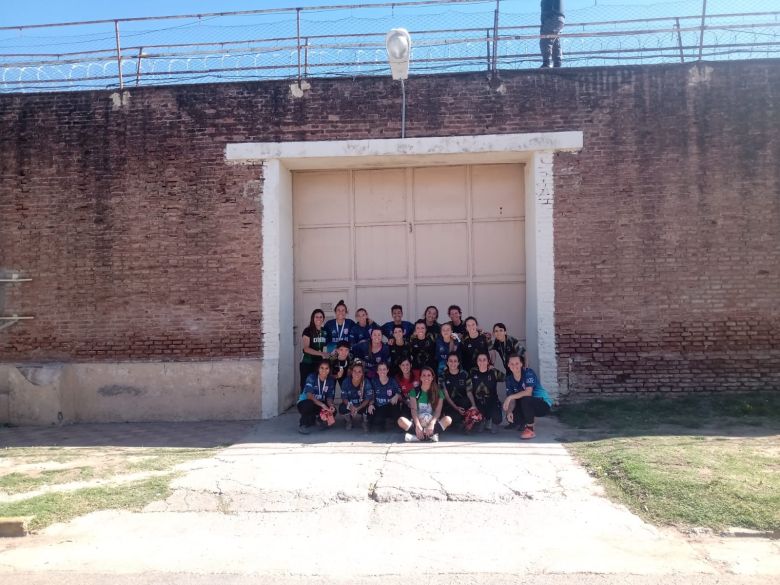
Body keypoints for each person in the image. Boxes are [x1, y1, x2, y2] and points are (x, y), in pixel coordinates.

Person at [503, 354, 554, 439]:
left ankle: (530, 429)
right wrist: (509, 411)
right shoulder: (509, 379)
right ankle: (525, 421)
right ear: (508, 365)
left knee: (525, 399)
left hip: (542, 404)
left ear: (521, 364)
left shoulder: (528, 372)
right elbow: (512, 399)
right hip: (527, 403)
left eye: (517, 363)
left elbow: (528, 392)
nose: (514, 366)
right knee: (513, 418)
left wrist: (509, 398)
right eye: (511, 363)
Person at [397, 367, 452, 442]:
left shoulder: (438, 392)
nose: (426, 377)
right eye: (424, 375)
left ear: (432, 377)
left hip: (431, 422)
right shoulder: (414, 391)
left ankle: (417, 437)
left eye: (429, 375)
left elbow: (437, 412)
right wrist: (417, 425)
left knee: (448, 419)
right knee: (401, 420)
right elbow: (414, 410)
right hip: (419, 421)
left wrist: (432, 424)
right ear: (420, 377)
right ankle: (429, 436)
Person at [297, 360, 337, 434]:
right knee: (308, 404)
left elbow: (329, 397)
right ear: (318, 368)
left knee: (333, 410)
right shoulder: (311, 377)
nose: (324, 370)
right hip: (305, 403)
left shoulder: (330, 380)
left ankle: (319, 420)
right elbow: (309, 396)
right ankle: (303, 424)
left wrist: (331, 405)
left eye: (326, 368)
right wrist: (322, 405)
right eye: (322, 368)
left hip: (318, 403)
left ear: (329, 370)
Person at [440, 352, 477, 430]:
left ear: (458, 363)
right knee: (453, 417)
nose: (453, 363)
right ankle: (460, 423)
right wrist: (457, 408)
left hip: (462, 403)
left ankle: (463, 423)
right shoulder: (442, 375)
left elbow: (469, 392)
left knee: (467, 403)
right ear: (447, 362)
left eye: (455, 361)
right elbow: (446, 396)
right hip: (450, 404)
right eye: (450, 361)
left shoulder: (465, 374)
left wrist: (474, 406)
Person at [470, 352, 505, 432]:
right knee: (478, 429)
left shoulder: (493, 372)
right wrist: (473, 405)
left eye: (484, 360)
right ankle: (482, 421)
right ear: (477, 361)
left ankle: (492, 421)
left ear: (488, 361)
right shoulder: (472, 372)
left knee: (497, 418)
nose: (482, 362)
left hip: (492, 401)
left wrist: (494, 369)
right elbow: (468, 390)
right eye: (480, 360)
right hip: (478, 403)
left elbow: (505, 378)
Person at [339, 361, 374, 432]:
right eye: (354, 371)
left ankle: (365, 422)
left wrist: (358, 408)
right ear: (351, 372)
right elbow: (344, 398)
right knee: (342, 408)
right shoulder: (346, 381)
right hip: (351, 405)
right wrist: (351, 407)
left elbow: (367, 399)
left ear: (362, 373)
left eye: (359, 371)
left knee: (370, 408)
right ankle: (349, 421)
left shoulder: (366, 382)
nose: (356, 374)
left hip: (361, 405)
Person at [299, 309, 329, 391]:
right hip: (307, 362)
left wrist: (328, 355)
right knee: (305, 386)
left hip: (319, 364)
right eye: (316, 317)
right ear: (313, 318)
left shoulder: (325, 331)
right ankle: (303, 403)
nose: (319, 319)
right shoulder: (307, 330)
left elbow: (325, 347)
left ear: (323, 318)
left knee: (317, 386)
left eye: (321, 317)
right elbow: (306, 348)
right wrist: (321, 354)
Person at [370, 362, 402, 431]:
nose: (382, 371)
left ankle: (396, 422)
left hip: (389, 406)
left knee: (396, 404)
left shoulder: (392, 381)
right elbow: (371, 394)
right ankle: (383, 422)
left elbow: (399, 391)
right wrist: (370, 404)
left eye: (384, 369)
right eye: (380, 369)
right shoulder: (374, 381)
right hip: (379, 407)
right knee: (376, 428)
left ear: (388, 370)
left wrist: (397, 395)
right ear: (377, 371)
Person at [540, 0, 565, 68]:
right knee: (555, 42)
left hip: (552, 17)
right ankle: (557, 63)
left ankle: (547, 63)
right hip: (559, 19)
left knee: (545, 40)